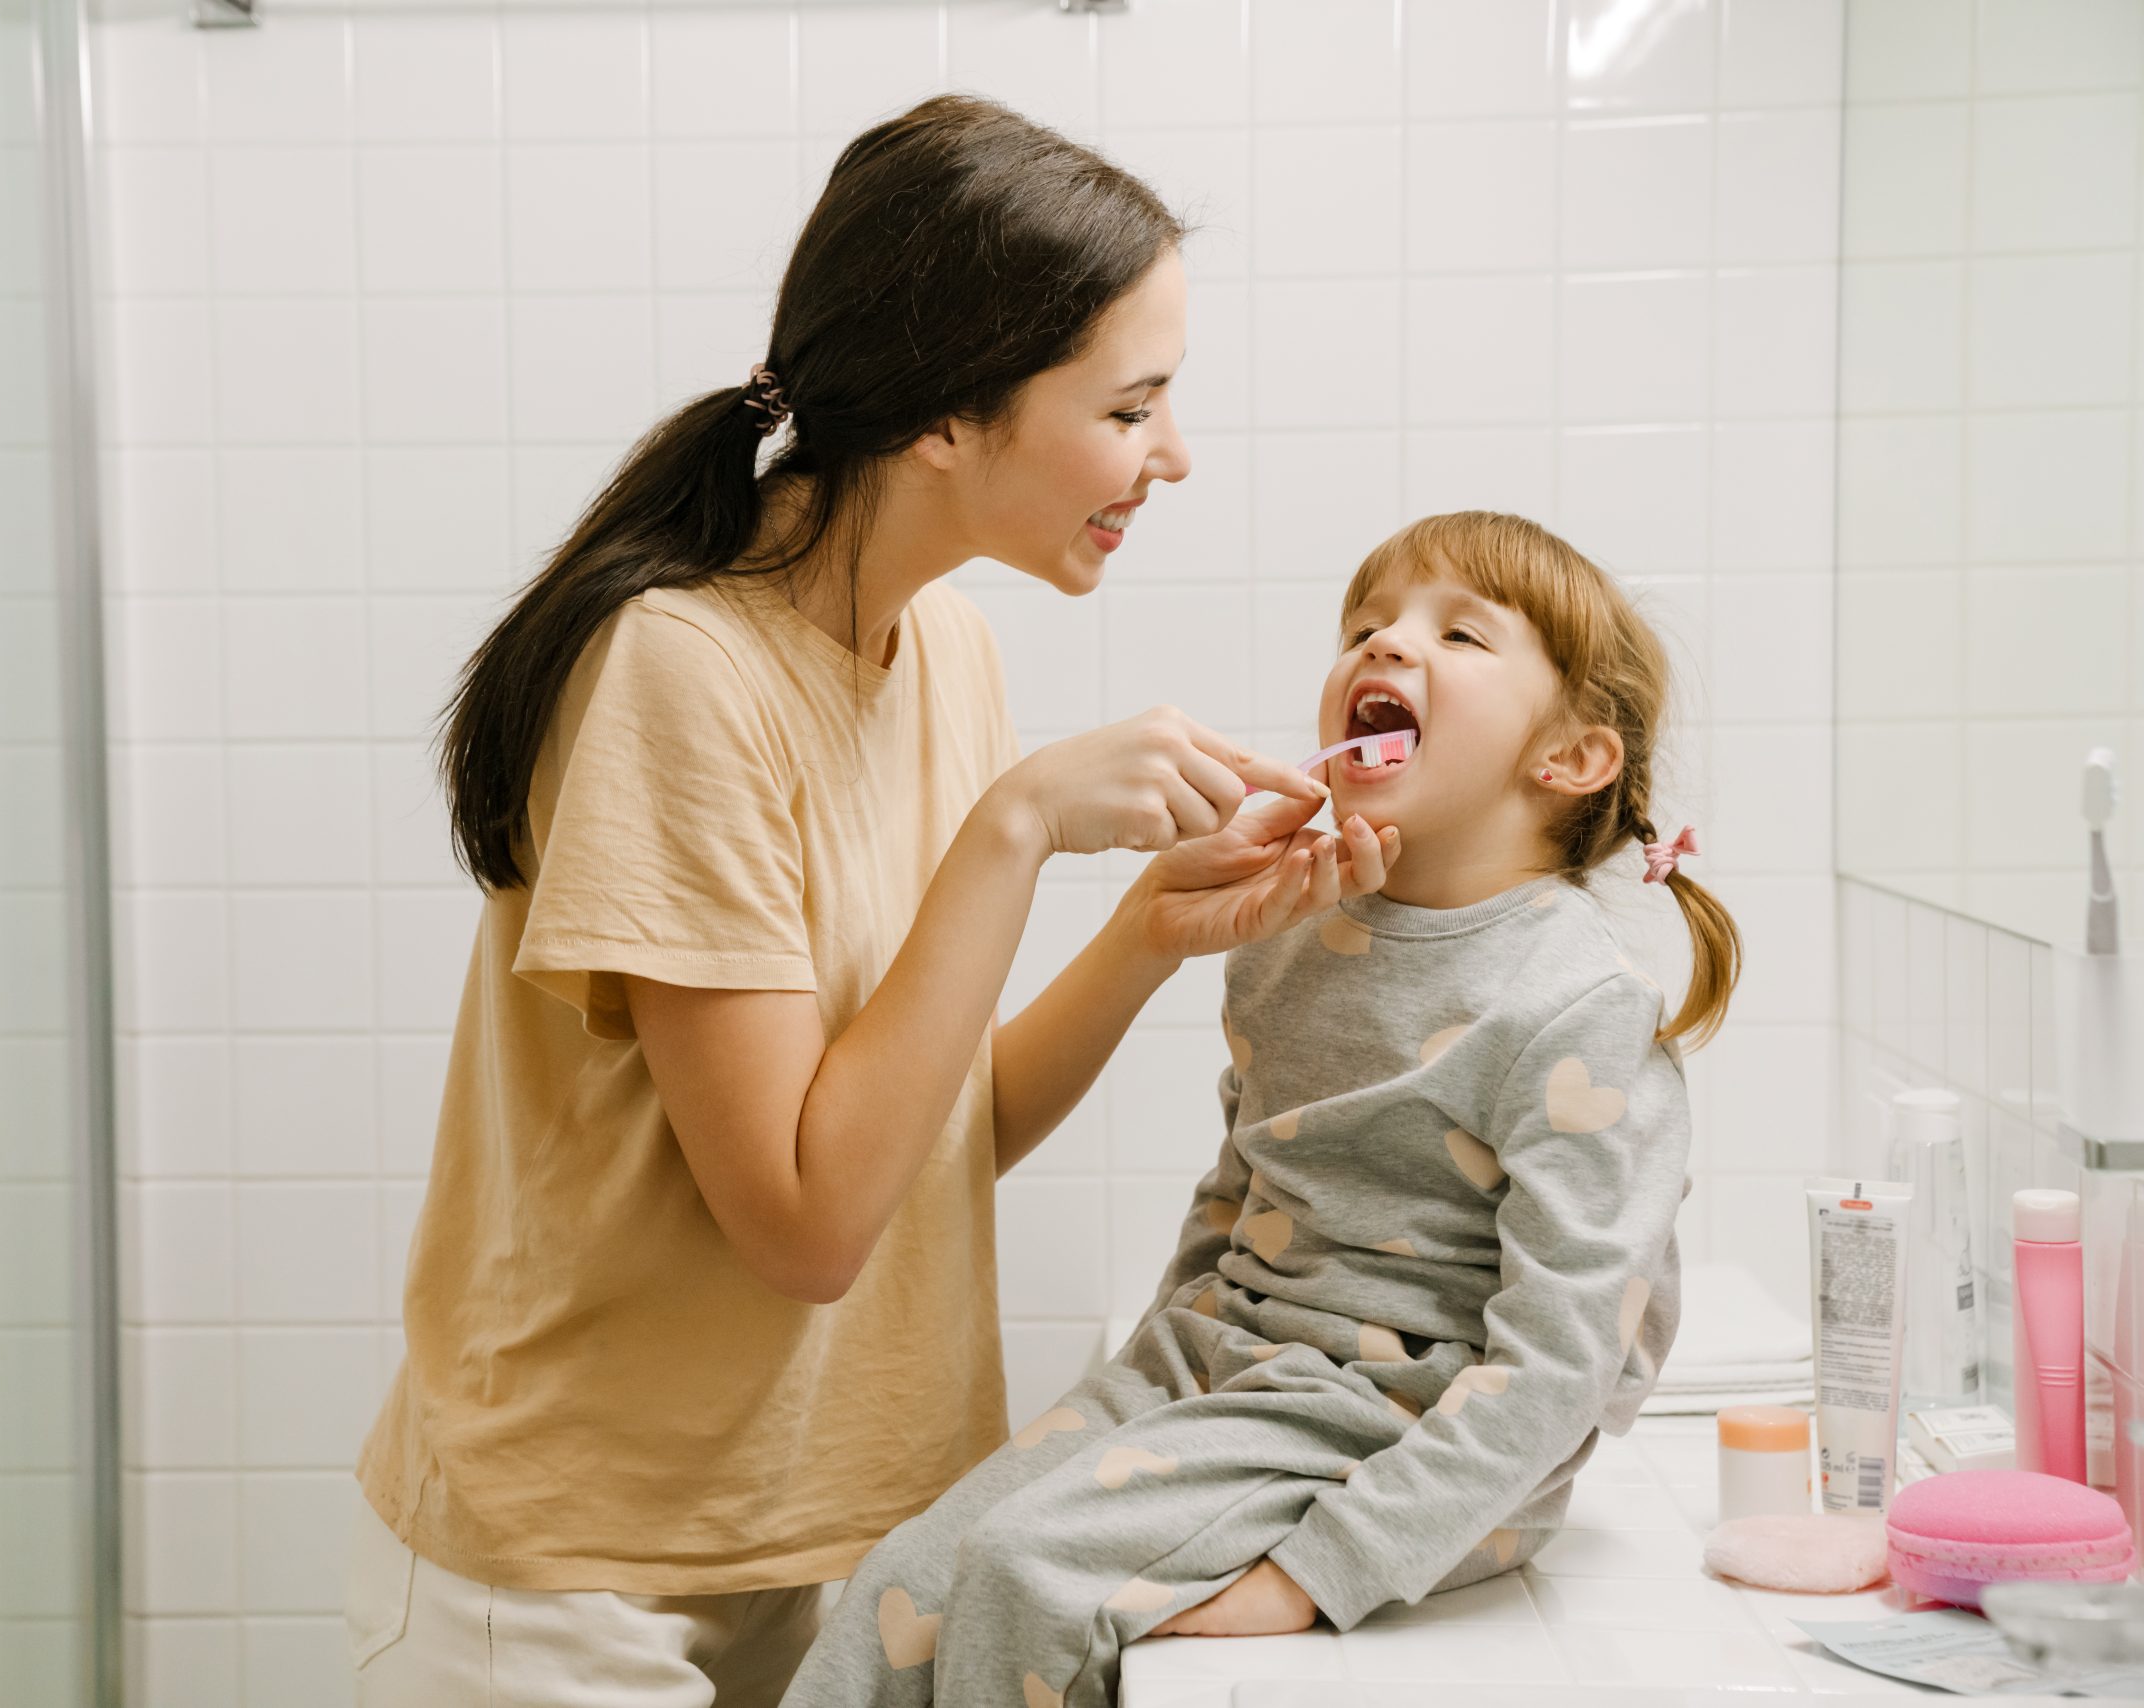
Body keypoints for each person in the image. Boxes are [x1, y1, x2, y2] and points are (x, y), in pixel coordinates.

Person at [344, 94, 1400, 1704]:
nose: (1171, 456)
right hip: (574, 1586)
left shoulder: (942, 646)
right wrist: (1022, 824)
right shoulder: (678, 673)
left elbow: (917, 1142)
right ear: (944, 421)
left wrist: (1143, 938)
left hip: (810, 1535)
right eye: (1133, 407)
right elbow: (809, 1224)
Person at [780, 511, 1743, 1708]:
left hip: (1392, 1422)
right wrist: (1136, 1381)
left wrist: (1318, 1570)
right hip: (1220, 1369)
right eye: (1367, 624)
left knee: (1028, 1574)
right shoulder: (1291, 937)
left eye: (1457, 632)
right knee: (910, 1576)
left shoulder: (1575, 1002)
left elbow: (1563, 1365)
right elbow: (1239, 1198)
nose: (1386, 646)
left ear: (1571, 758)